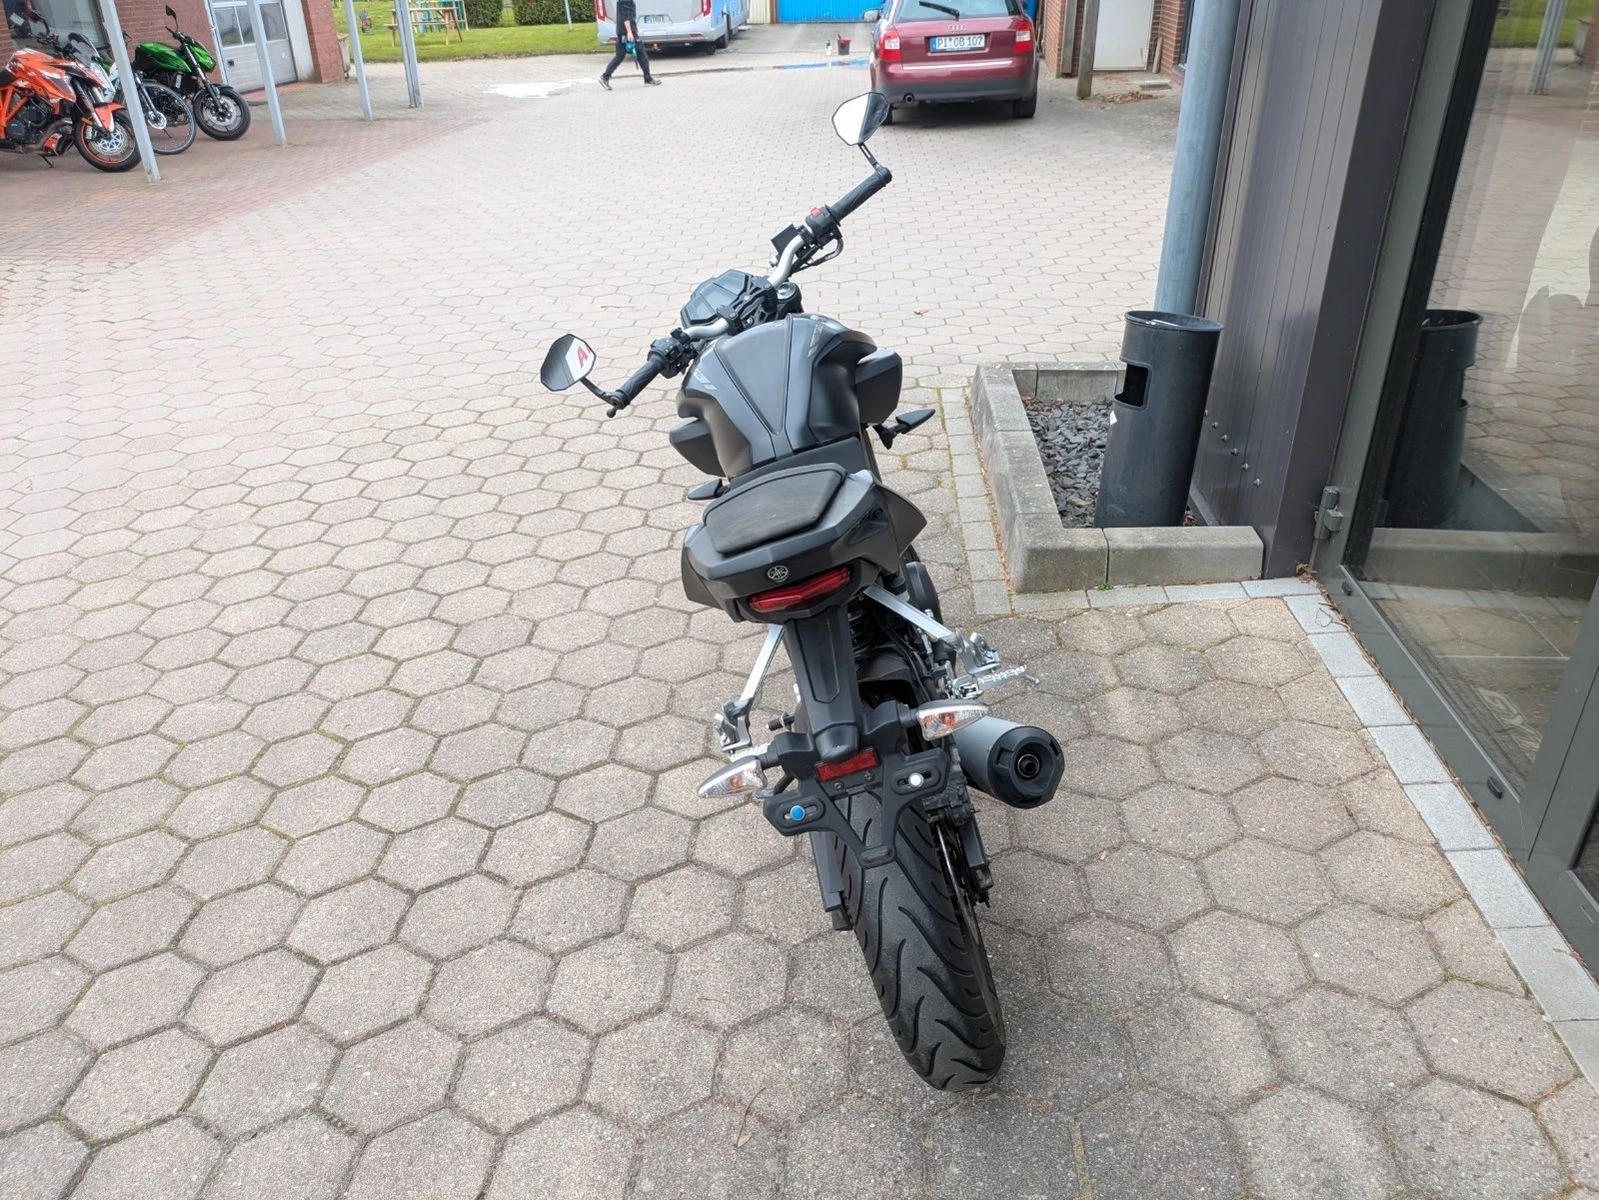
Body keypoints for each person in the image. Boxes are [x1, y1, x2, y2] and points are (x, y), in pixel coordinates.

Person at [599, 0, 660, 89]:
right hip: (627, 32)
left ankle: (605, 77)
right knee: (642, 54)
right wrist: (629, 32)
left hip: (622, 32)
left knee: (620, 55)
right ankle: (648, 79)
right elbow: (626, 16)